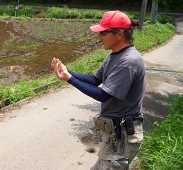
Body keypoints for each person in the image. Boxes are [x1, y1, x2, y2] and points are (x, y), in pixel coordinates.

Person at [51, 10, 145, 170]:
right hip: (116, 134)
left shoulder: (128, 62)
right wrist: (67, 72)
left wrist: (69, 79)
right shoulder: (114, 55)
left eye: (103, 33)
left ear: (119, 34)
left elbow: (103, 95)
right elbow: (95, 80)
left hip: (123, 136)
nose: (99, 37)